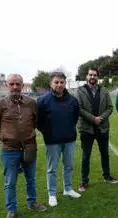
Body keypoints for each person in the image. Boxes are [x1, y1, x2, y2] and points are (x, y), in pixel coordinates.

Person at [0, 74, 46, 218]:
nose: (15, 87)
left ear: (23, 85)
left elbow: (35, 121)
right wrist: (3, 138)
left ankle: (32, 203)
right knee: (10, 182)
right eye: (12, 84)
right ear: (7, 85)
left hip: (29, 147)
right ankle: (11, 210)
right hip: (9, 150)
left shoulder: (31, 103)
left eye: (18, 84)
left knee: (31, 178)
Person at [37, 72, 81, 207]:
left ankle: (68, 189)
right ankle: (52, 194)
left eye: (62, 82)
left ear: (65, 83)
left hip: (69, 140)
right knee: (52, 169)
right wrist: (48, 133)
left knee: (69, 166)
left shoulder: (72, 100)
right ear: (51, 83)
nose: (59, 85)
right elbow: (38, 121)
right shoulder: (43, 100)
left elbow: (75, 118)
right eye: (56, 82)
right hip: (52, 141)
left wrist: (68, 130)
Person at [76, 67, 118, 192]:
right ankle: (84, 181)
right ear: (87, 77)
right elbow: (78, 108)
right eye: (90, 75)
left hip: (102, 128)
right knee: (86, 156)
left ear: (97, 77)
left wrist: (101, 118)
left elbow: (110, 107)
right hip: (86, 128)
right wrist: (93, 119)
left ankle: (107, 176)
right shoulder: (80, 91)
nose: (92, 77)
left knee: (105, 154)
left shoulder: (104, 90)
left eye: (95, 75)